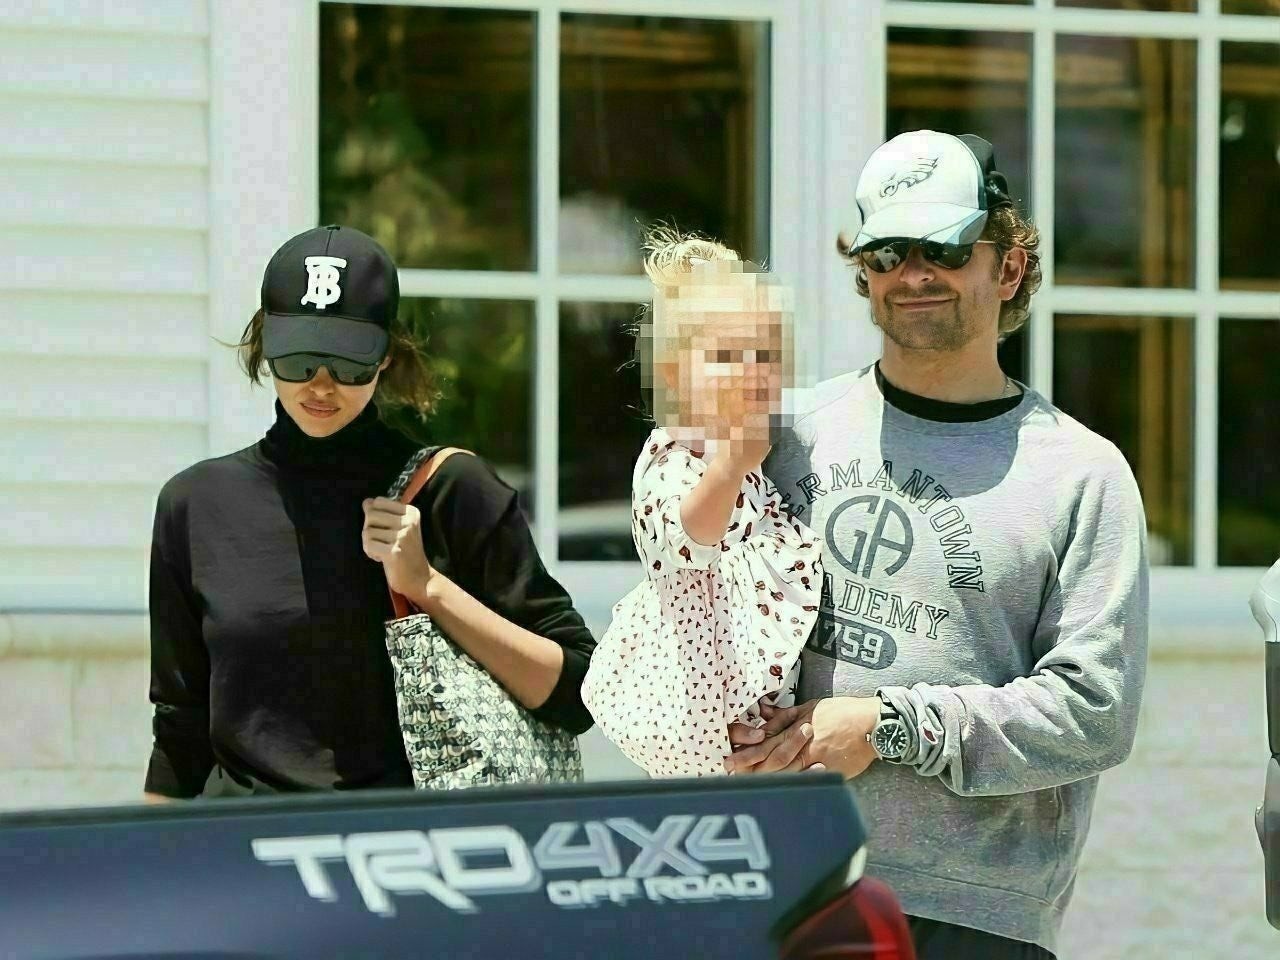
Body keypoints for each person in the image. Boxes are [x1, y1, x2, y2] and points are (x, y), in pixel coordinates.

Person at [724, 131, 1150, 960]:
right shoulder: (782, 435)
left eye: (944, 249)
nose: (913, 274)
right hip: (778, 881)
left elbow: (1095, 713)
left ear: (1010, 267)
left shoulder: (1080, 474)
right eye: (887, 253)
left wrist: (889, 726)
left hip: (972, 915)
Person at [144, 225, 596, 800]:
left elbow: (577, 695)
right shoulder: (195, 503)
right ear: (264, 344)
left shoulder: (452, 490)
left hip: (407, 841)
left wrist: (427, 587)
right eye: (298, 358)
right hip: (242, 843)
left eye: (348, 362)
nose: (321, 385)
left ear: (385, 357)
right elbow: (179, 729)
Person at [581, 228, 824, 777]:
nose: (751, 369)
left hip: (751, 689)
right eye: (726, 355)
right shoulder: (672, 457)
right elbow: (690, 538)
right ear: (675, 374)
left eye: (766, 355)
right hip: (695, 698)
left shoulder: (755, 453)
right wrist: (730, 468)